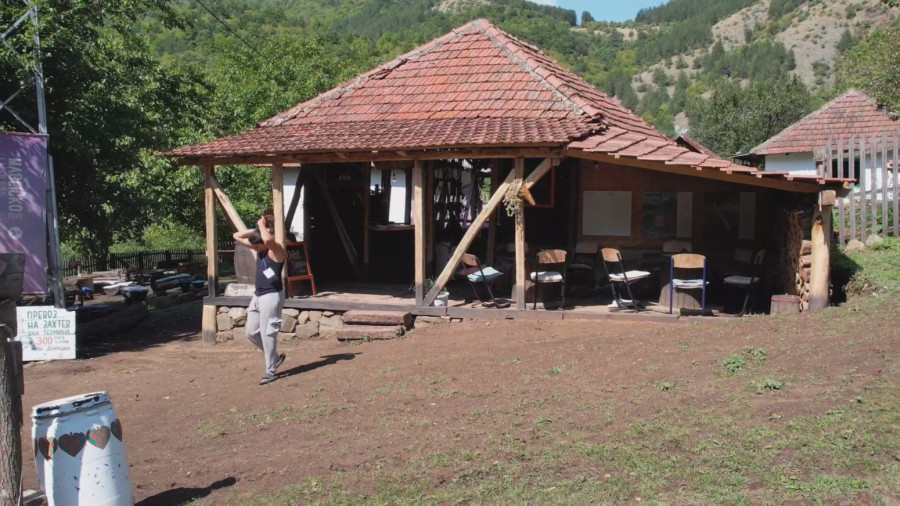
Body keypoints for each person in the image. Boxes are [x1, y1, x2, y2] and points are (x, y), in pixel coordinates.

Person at [233, 214, 287, 385]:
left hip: (271, 296)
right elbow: (236, 235)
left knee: (267, 333)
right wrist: (257, 228)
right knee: (251, 332)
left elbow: (267, 239)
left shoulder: (276, 250)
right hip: (258, 295)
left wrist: (262, 225)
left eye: (257, 245)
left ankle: (270, 371)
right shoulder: (260, 247)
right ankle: (274, 357)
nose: (255, 248)